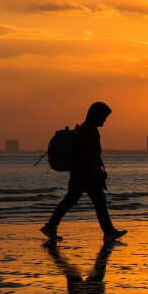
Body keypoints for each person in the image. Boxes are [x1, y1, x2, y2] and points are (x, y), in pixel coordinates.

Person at [41, 102, 127, 241]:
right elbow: (88, 154)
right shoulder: (89, 130)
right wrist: (96, 171)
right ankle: (108, 232)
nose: (105, 119)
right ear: (97, 115)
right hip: (86, 175)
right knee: (93, 201)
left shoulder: (85, 128)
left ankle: (51, 226)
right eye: (104, 116)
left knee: (75, 200)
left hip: (81, 173)